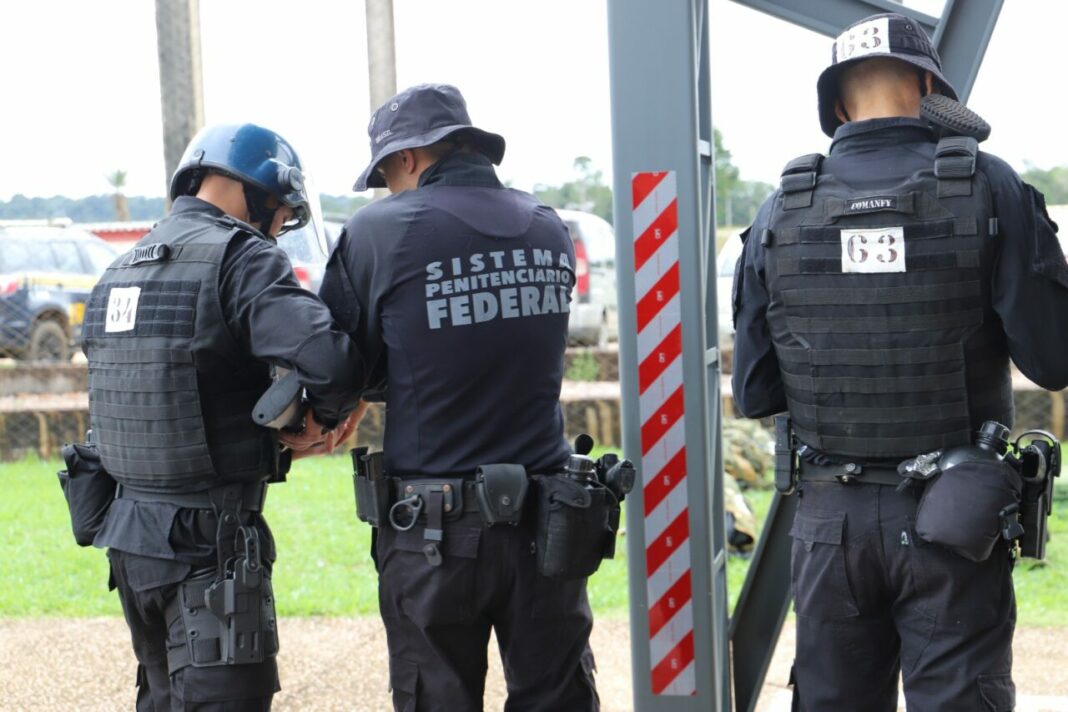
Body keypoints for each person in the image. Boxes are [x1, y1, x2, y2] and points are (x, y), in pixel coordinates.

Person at [731, 13, 1068, 712]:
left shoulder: (780, 209)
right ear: (929, 89)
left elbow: (756, 392)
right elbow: (1053, 360)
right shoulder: (989, 186)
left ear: (836, 106)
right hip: (957, 521)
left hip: (830, 526)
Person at [286, 83, 598, 711]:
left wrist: (325, 415)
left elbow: (340, 365)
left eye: (385, 175)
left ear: (407, 157)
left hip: (434, 537)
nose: (387, 189)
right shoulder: (549, 226)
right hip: (549, 526)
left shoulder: (381, 229)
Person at [81, 123, 363, 710]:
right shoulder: (241, 259)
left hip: (130, 542)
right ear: (256, 191)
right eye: (281, 215)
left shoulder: (120, 267)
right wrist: (319, 422)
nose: (278, 229)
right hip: (209, 545)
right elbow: (331, 361)